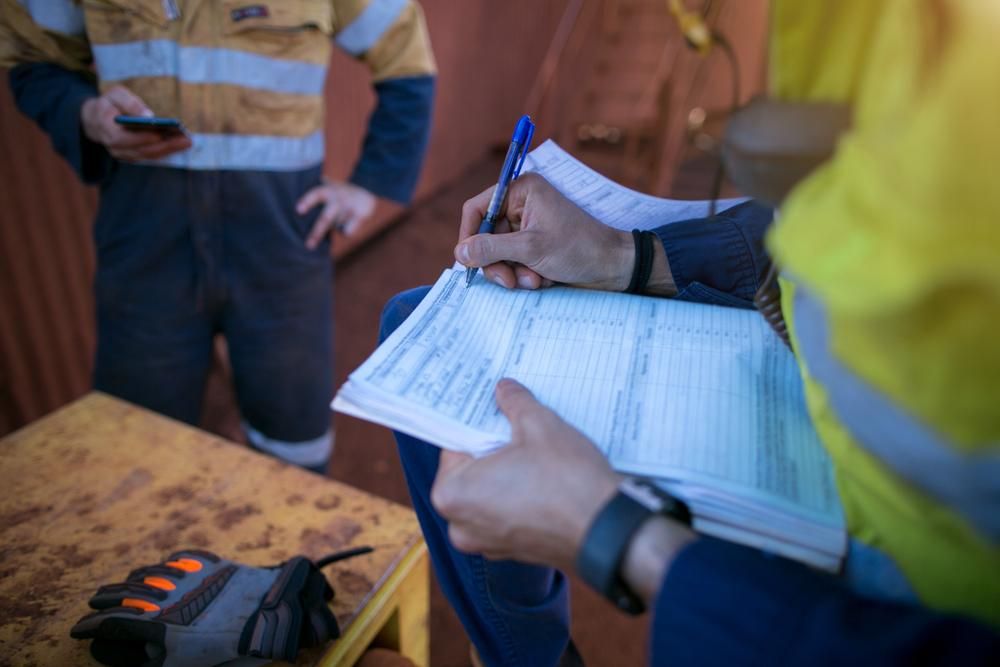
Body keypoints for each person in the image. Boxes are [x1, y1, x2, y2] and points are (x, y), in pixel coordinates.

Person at [379, 0, 1000, 664]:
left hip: (907, 578)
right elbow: (825, 209)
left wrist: (621, 539)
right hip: (808, 381)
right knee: (417, 318)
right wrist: (627, 255)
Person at [1, 0, 436, 472]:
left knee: (294, 445)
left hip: (281, 241)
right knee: (135, 446)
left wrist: (370, 184)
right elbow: (31, 58)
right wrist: (86, 114)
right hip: (144, 238)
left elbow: (407, 61)